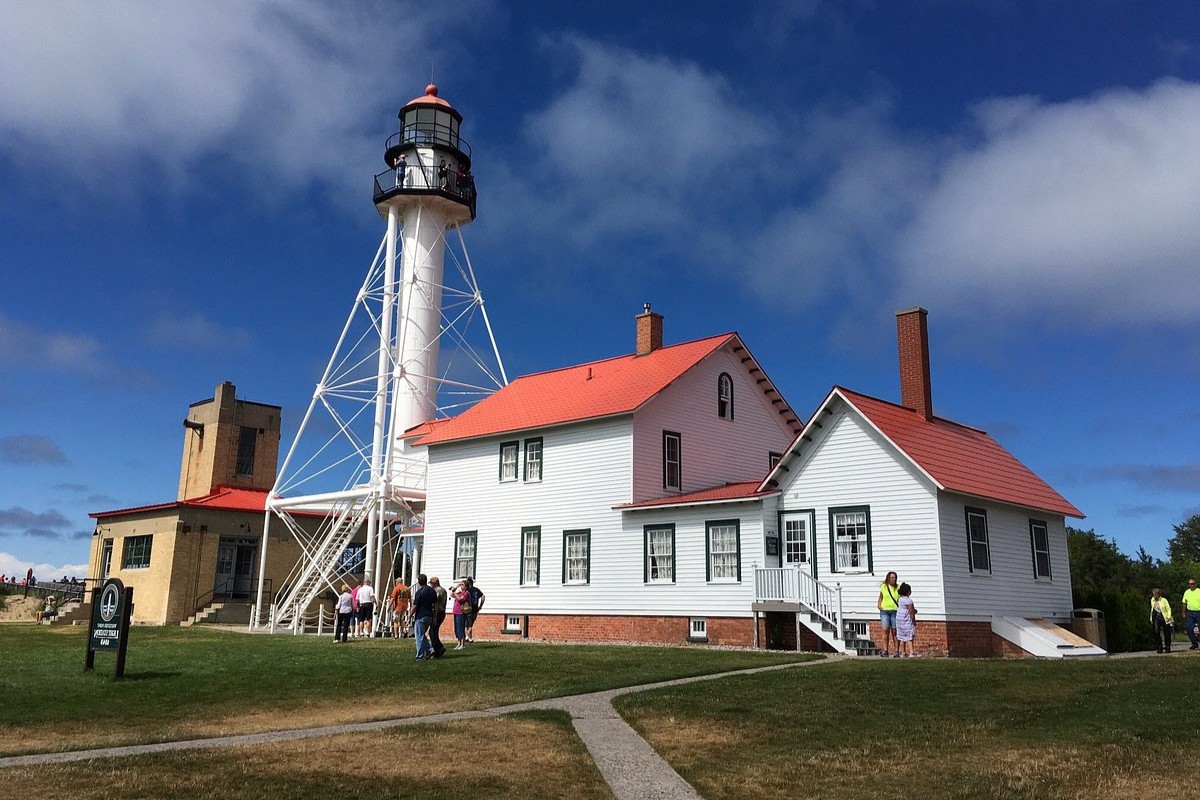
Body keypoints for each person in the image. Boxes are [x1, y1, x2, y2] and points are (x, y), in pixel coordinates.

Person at [411, 574, 435, 661]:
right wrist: (434, 616)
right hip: (429, 616)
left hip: (420, 616)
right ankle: (430, 650)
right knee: (421, 635)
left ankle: (420, 656)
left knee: (419, 637)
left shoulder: (419, 592)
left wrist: (409, 616)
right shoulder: (432, 591)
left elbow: (414, 606)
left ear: (419, 582)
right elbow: (435, 604)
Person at [877, 571, 900, 657]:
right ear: (888, 578)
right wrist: (879, 605)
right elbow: (881, 597)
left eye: (895, 578)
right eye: (892, 578)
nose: (894, 579)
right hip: (885, 611)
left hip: (895, 610)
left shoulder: (898, 587)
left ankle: (896, 651)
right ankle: (885, 650)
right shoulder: (884, 586)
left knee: (895, 631)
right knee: (885, 630)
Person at [895, 583, 917, 657]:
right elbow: (911, 612)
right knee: (909, 636)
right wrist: (913, 621)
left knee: (901, 636)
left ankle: (903, 652)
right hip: (906, 620)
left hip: (899, 619)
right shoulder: (909, 600)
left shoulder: (900, 599)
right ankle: (912, 652)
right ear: (908, 592)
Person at [1150, 587, 1173, 654]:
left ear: (1158, 594)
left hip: (1164, 617)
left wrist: (1168, 617)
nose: (1154, 596)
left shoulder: (1164, 600)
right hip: (1156, 617)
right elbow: (1152, 609)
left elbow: (1168, 609)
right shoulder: (1152, 600)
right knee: (1156, 632)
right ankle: (1159, 647)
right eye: (1153, 594)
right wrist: (1151, 618)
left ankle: (1167, 647)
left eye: (1155, 594)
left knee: (1166, 633)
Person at [429, 576, 448, 658]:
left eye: (431, 584)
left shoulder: (438, 591)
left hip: (438, 613)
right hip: (442, 612)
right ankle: (439, 647)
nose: (431, 585)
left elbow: (435, 602)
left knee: (432, 632)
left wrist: (434, 616)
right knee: (433, 631)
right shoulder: (443, 590)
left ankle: (438, 649)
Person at [451, 580, 470, 650]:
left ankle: (462, 644)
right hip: (456, 612)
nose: (461, 586)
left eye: (462, 585)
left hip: (461, 613)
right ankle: (458, 643)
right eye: (461, 584)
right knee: (457, 629)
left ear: (466, 586)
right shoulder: (459, 592)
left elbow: (459, 599)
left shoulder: (466, 593)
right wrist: (456, 587)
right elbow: (451, 594)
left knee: (460, 628)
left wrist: (455, 593)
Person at [1182, 578, 1200, 651]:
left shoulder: (1199, 591)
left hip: (1199, 612)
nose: (1191, 585)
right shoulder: (1187, 592)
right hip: (1190, 613)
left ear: (1195, 584)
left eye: (1192, 584)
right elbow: (1184, 603)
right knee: (1189, 628)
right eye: (1189, 584)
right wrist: (1183, 612)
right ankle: (1194, 643)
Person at [465, 577, 484, 642]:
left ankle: (467, 637)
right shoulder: (476, 590)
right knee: (471, 624)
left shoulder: (467, 590)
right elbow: (483, 596)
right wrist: (480, 605)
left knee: (467, 624)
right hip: (475, 609)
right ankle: (469, 637)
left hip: (467, 608)